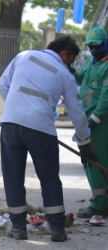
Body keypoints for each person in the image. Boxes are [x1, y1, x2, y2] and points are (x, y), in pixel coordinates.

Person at [0, 35, 99, 242]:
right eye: (71, 59)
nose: (71, 65)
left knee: (12, 177)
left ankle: (17, 228)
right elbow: (77, 112)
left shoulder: (23, 56)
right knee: (50, 179)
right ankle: (57, 230)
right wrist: (84, 141)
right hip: (41, 129)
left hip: (9, 124)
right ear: (64, 53)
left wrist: (19, 109)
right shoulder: (64, 74)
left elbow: (2, 86)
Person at [74, 27, 108, 218]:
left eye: (97, 46)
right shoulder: (91, 61)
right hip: (85, 120)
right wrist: (67, 68)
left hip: (99, 122)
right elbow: (80, 78)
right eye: (91, 46)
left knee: (95, 160)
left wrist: (94, 120)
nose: (94, 49)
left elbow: (106, 97)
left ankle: (99, 204)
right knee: (88, 160)